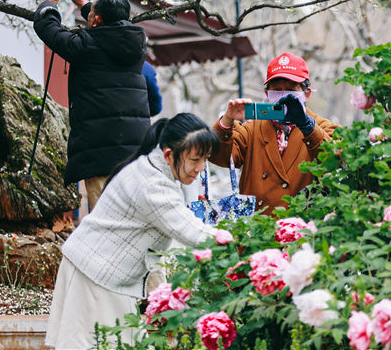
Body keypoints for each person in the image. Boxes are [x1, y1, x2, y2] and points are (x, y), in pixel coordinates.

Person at [45, 113, 219, 349]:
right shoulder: (153, 186)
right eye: (196, 159)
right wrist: (241, 241)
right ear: (169, 154)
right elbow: (193, 233)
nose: (200, 168)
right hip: (94, 276)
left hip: (101, 272)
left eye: (205, 159)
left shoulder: (152, 168)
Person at [33, 0, 150, 211]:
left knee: (105, 224)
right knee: (133, 219)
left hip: (101, 154)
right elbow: (110, 30)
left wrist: (49, 2)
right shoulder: (137, 45)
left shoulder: (85, 46)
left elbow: (49, 29)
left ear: (96, 20)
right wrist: (84, 4)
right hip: (136, 152)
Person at [209, 52, 339, 214]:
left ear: (306, 94)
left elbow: (335, 162)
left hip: (303, 230)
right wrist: (227, 120)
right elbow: (219, 157)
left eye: (291, 89)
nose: (283, 95)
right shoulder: (251, 128)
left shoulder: (323, 127)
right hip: (258, 231)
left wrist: (306, 125)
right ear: (267, 94)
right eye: (277, 90)